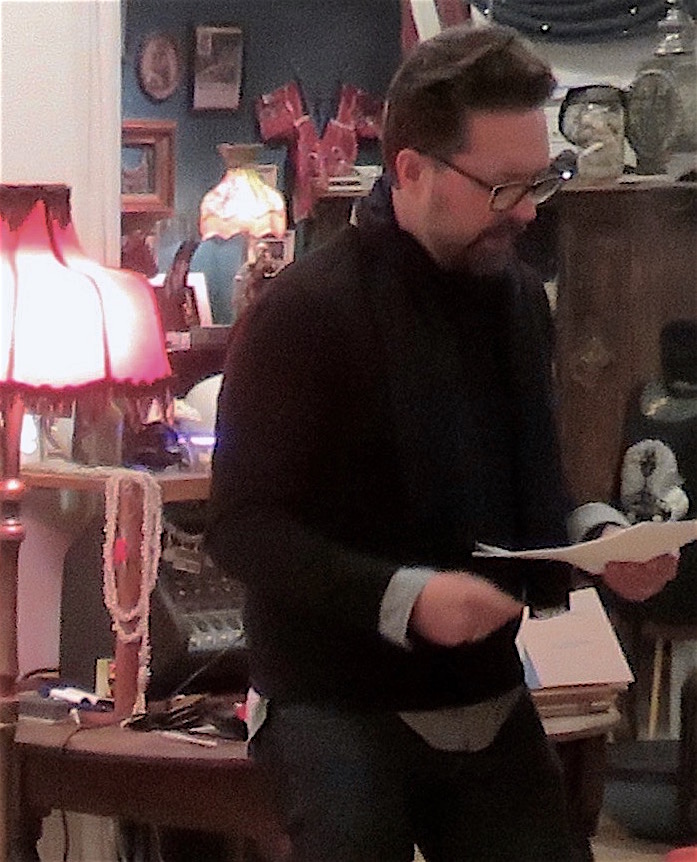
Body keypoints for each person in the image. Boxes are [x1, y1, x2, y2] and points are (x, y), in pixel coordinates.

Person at [206, 24, 677, 862]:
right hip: (333, 696)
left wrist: (602, 540)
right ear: (411, 168)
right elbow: (242, 528)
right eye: (502, 188)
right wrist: (407, 597)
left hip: (485, 693)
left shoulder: (516, 300)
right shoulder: (303, 312)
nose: (528, 210)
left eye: (540, 181)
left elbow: (529, 487)